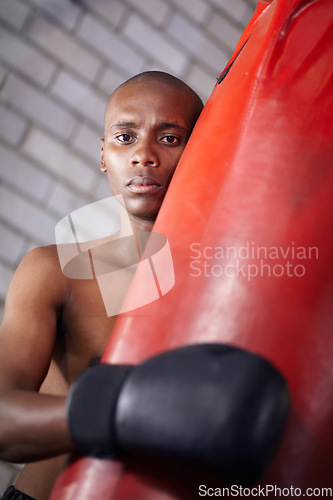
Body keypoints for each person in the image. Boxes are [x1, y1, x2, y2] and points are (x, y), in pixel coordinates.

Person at [0, 71, 204, 500]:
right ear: (103, 154)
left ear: (201, 153)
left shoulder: (222, 287)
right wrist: (124, 412)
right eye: (125, 137)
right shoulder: (54, 271)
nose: (143, 155)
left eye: (170, 139)